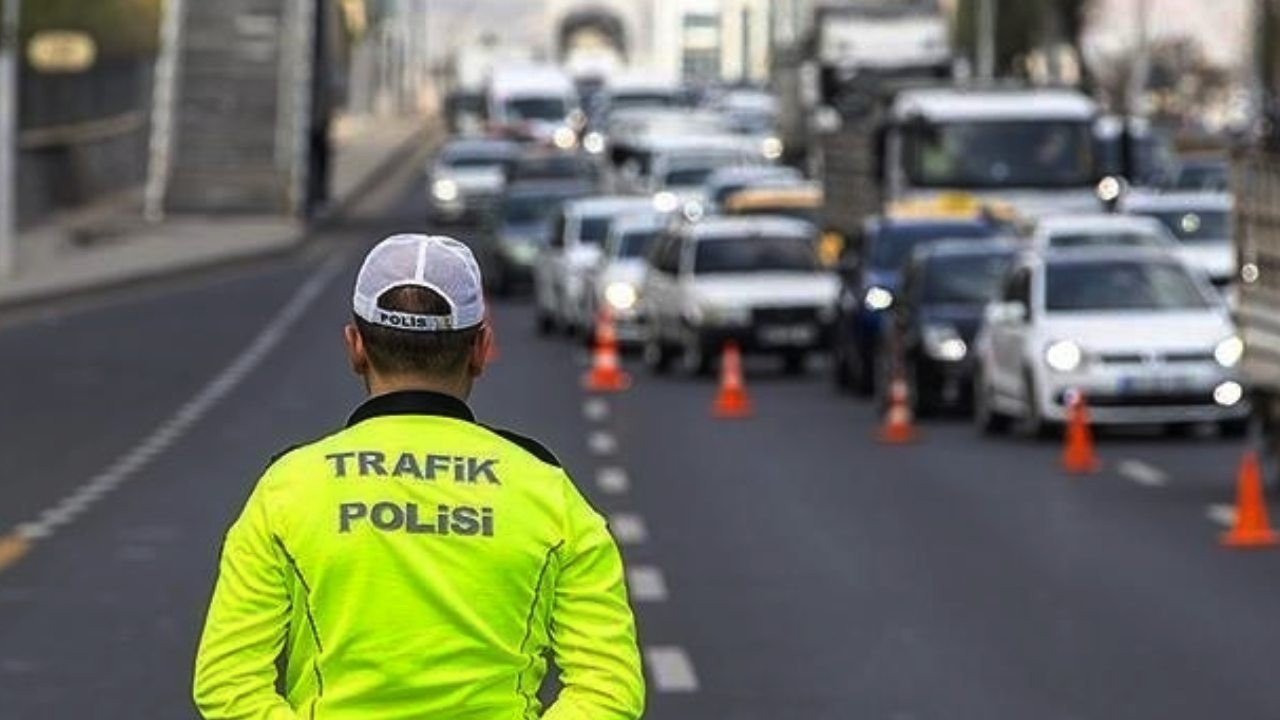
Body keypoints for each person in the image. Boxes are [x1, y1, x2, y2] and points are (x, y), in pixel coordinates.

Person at [193, 234, 645, 719]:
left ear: (356, 347)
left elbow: (227, 683)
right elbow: (608, 689)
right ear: (481, 349)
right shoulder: (548, 491)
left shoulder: (288, 489)